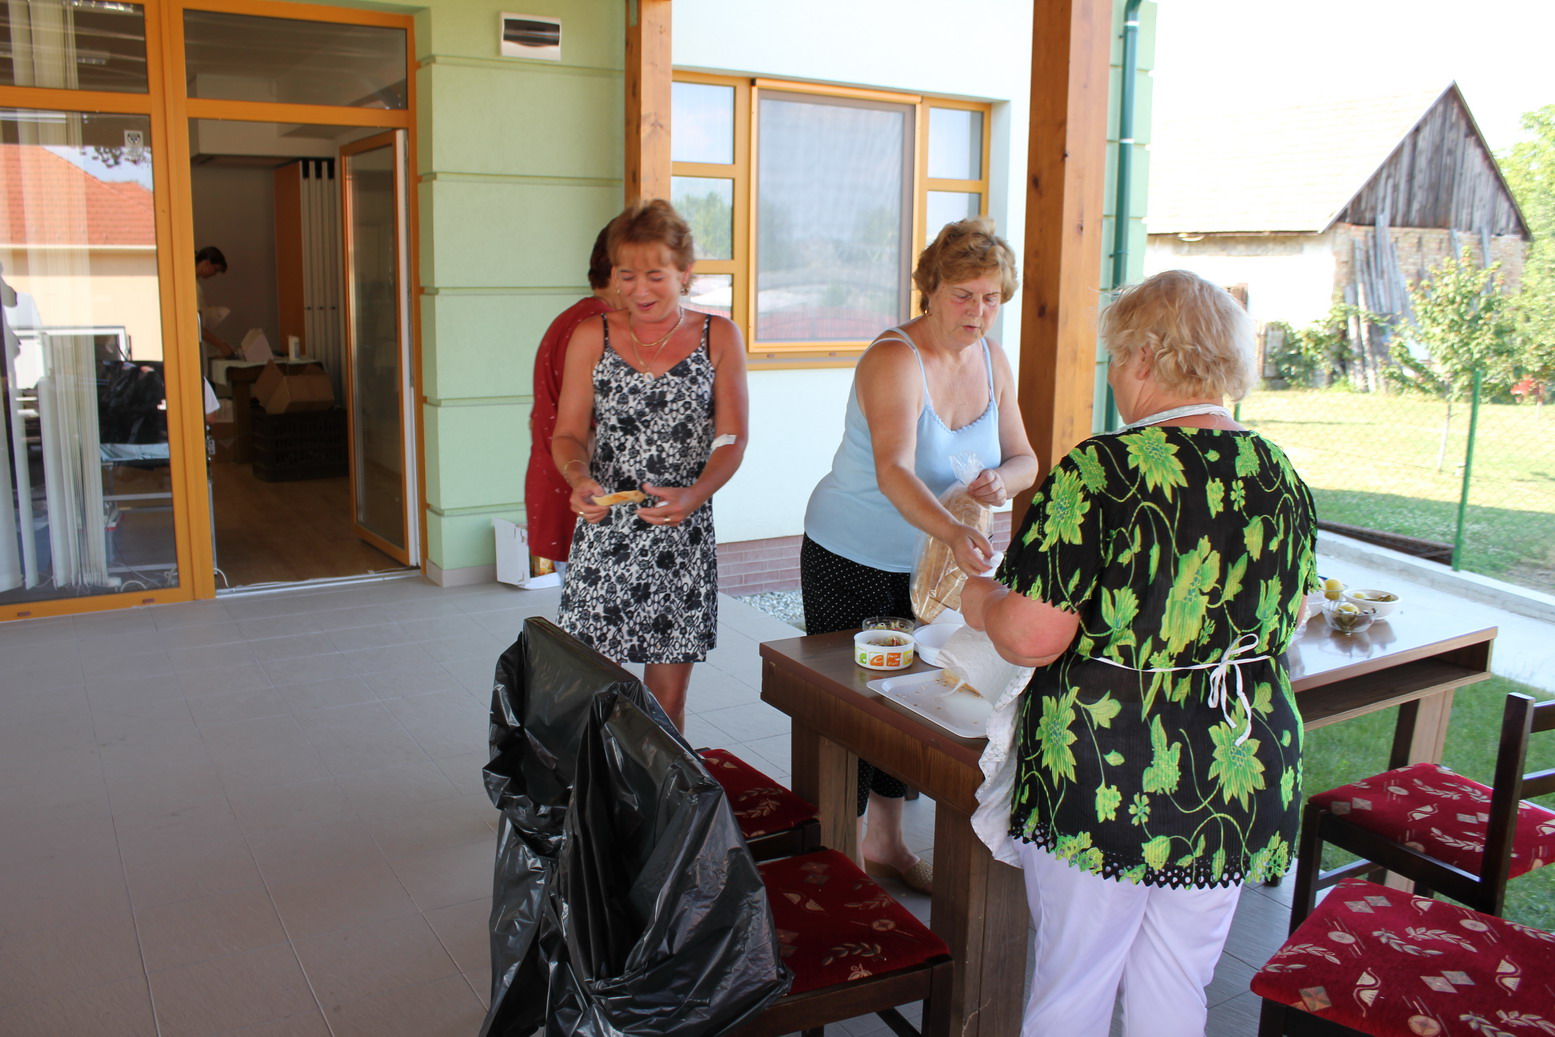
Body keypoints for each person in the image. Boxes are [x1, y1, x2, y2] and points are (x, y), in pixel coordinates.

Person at [960, 269, 1319, 1037]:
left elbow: (1030, 633)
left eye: (1116, 357)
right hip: (1235, 769)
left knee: (1075, 981)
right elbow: (1289, 617)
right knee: (1175, 979)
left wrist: (979, 598)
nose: (1114, 375)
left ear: (1147, 357)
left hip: (1111, 771)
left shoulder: (1102, 469)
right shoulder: (1279, 472)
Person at [801, 216, 1039, 895]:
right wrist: (954, 530)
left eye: (991, 298)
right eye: (963, 295)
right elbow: (894, 471)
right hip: (854, 554)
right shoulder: (893, 358)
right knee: (850, 708)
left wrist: (1003, 481)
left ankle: (886, 843)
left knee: (912, 703)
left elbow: (1025, 457)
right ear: (929, 289)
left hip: (933, 571)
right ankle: (837, 860)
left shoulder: (992, 360)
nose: (978, 311)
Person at [552, 199, 748, 732]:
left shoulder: (719, 336)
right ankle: (601, 788)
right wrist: (578, 477)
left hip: (680, 535)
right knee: (595, 695)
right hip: (605, 535)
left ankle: (661, 788)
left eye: (655, 275)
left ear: (685, 273)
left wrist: (695, 494)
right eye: (627, 275)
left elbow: (731, 439)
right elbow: (568, 434)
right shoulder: (592, 335)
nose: (639, 290)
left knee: (666, 704)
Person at [525, 226, 617, 574]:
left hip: (561, 479)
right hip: (585, 488)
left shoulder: (575, 316)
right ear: (617, 272)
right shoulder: (598, 326)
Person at [194, 246, 232, 360]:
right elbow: (196, 325)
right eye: (215, 270)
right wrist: (221, 345)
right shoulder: (193, 287)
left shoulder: (192, 284)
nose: (214, 274)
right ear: (206, 264)